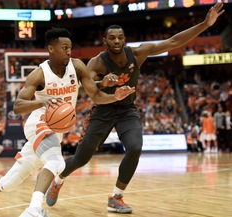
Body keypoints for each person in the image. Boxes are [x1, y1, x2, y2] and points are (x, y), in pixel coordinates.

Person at [46, 2, 225, 214]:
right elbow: (87, 90)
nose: (116, 41)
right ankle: (58, 180)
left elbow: (174, 41)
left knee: (135, 147)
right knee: (82, 158)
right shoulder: (97, 63)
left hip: (127, 110)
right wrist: (105, 84)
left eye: (120, 37)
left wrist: (205, 24)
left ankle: (116, 197)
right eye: (111, 38)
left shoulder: (138, 53)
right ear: (104, 41)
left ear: (125, 39)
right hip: (103, 110)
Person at [0, 28, 134, 216]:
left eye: (70, 47)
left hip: (56, 130)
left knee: (8, 184)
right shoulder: (39, 74)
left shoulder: (77, 67)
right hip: (39, 122)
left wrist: (115, 96)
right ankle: (34, 208)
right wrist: (42, 101)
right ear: (51, 49)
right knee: (56, 162)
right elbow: (18, 106)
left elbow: (97, 96)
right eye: (64, 47)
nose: (69, 51)